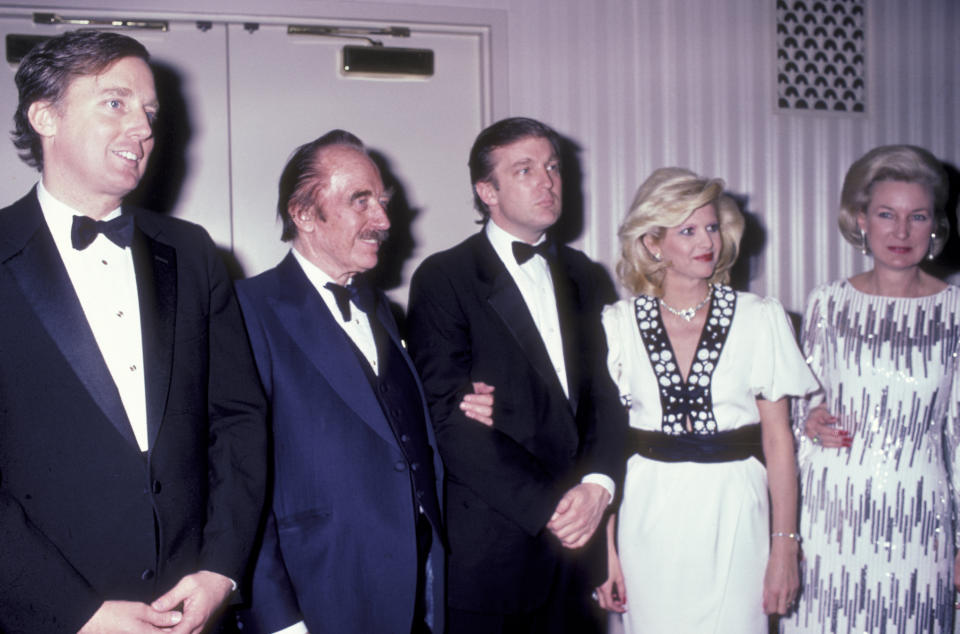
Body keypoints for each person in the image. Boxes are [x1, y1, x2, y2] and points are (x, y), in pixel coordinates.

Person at [0, 30, 266, 633]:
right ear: (45, 115)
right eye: (115, 103)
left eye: (149, 112)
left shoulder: (193, 252)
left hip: (191, 608)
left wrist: (221, 569)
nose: (143, 129)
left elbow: (239, 420)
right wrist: (75, 613)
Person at [234, 130, 492, 634]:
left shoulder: (382, 311)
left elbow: (383, 426)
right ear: (304, 215)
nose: (384, 221)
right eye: (361, 202)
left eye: (383, 202)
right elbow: (237, 479)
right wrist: (278, 617)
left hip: (414, 592)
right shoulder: (246, 310)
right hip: (321, 595)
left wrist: (457, 408)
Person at [406, 116, 626, 633]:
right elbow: (447, 417)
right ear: (488, 191)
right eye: (525, 170)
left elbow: (610, 400)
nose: (548, 181)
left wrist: (599, 486)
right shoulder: (445, 278)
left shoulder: (587, 276)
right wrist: (550, 507)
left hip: (579, 553)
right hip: (494, 555)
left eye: (552, 167)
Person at [595, 167, 818, 632]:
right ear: (653, 243)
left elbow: (779, 441)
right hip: (649, 518)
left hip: (739, 516)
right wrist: (607, 551)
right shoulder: (616, 325)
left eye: (712, 227)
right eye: (688, 230)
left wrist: (784, 546)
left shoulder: (760, 318)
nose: (706, 242)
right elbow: (609, 447)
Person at [782, 145, 960, 633]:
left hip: (922, 518)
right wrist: (810, 420)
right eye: (886, 214)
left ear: (935, 226)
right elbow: (799, 408)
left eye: (917, 216)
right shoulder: (828, 302)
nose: (901, 232)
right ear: (861, 219)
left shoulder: (955, 312)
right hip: (832, 516)